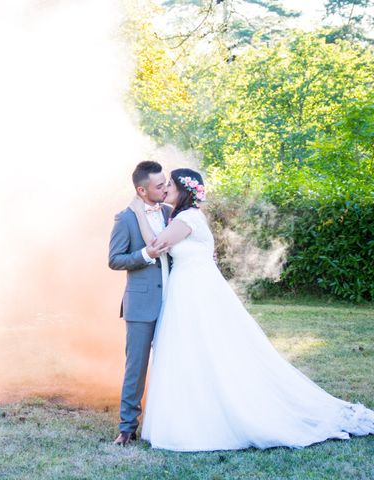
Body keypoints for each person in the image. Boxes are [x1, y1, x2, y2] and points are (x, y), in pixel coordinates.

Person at [126, 167, 374, 451]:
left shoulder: (187, 217)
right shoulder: (183, 217)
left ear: (184, 190)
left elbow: (155, 246)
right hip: (187, 288)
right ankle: (197, 407)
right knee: (192, 350)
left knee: (204, 348)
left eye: (170, 184)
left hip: (196, 291)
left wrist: (137, 212)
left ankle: (213, 412)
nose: (165, 188)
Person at [108, 161, 173, 445]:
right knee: (136, 366)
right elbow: (114, 259)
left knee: (175, 361)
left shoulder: (172, 213)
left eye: (165, 183)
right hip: (141, 304)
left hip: (176, 300)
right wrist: (145, 254)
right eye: (159, 186)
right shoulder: (125, 219)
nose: (165, 189)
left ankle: (172, 420)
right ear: (141, 190)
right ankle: (127, 427)